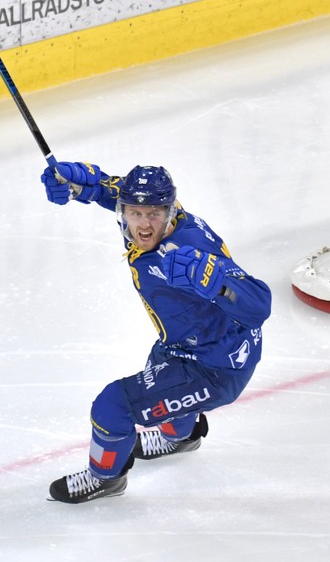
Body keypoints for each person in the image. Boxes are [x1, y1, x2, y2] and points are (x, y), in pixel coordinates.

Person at [39, 162, 272, 504]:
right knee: (159, 378)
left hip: (215, 367)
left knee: (113, 406)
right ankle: (181, 437)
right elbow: (106, 186)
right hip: (185, 343)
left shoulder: (188, 250)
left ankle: (104, 478)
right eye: (135, 213)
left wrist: (215, 280)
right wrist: (73, 183)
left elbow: (258, 307)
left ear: (170, 211)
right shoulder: (143, 224)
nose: (144, 225)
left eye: (154, 214)